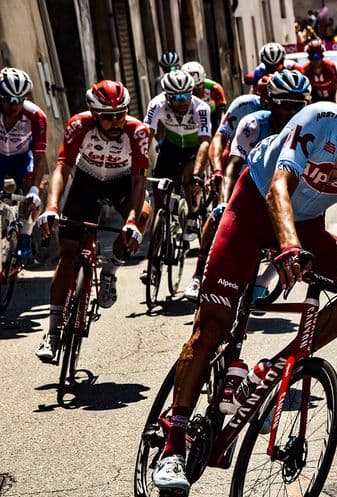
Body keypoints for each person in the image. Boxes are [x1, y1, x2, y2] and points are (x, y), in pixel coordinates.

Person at [150, 59, 337, 493]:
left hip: (307, 223)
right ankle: (174, 445)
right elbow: (280, 187)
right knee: (211, 328)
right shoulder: (320, 120)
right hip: (254, 208)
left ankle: (279, 364)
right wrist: (288, 246)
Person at [34, 81, 147, 360]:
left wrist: (131, 221)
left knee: (144, 213)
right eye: (108, 116)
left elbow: (138, 180)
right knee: (69, 254)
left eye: (121, 113)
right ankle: (52, 333)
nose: (116, 120)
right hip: (87, 181)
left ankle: (110, 271)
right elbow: (63, 168)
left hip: (121, 183)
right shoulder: (78, 125)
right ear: (94, 114)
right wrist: (51, 206)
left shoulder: (138, 132)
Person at [184, 71, 312, 300]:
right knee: (216, 217)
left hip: (285, 192)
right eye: (286, 105)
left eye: (299, 106)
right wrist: (224, 201)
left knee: (303, 229)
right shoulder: (252, 123)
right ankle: (197, 275)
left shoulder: (310, 130)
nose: (293, 113)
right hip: (249, 186)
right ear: (270, 102)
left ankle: (264, 280)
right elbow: (233, 165)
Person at [143, 69, 212, 243]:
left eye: (186, 96)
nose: (183, 102)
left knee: (191, 177)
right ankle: (157, 243)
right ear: (167, 97)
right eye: (177, 98)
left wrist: (197, 175)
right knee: (158, 190)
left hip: (194, 148)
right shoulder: (157, 104)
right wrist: (139, 165)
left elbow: (205, 142)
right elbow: (145, 135)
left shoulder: (200, 108)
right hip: (172, 146)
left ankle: (191, 217)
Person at [0, 67, 47, 260]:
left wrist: (34, 190)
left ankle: (26, 234)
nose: (14, 105)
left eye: (20, 99)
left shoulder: (36, 116)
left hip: (22, 158)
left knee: (35, 190)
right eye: (9, 99)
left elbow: (40, 157)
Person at [181, 61, 227, 131]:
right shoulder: (180, 92)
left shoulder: (215, 88)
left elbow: (222, 114)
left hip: (212, 116)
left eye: (199, 86)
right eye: (190, 90)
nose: (196, 92)